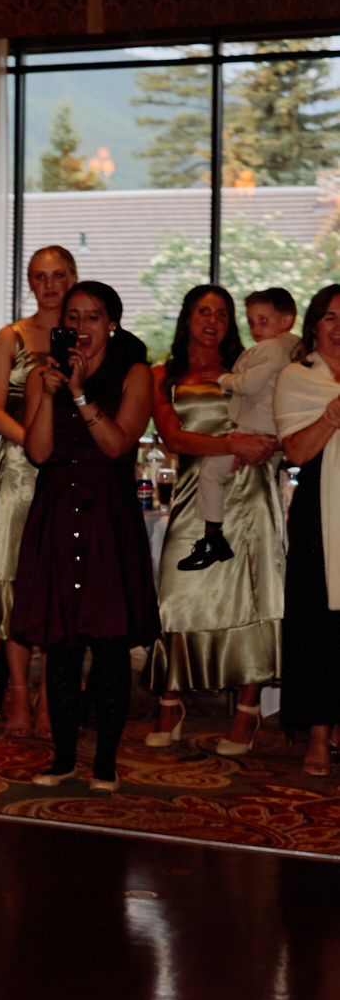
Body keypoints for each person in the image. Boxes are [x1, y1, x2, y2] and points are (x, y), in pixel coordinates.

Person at [10, 281, 157, 790]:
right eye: (73, 317)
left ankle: (106, 764)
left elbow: (118, 444)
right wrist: (51, 394)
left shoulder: (135, 373)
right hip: (55, 510)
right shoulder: (39, 376)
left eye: (92, 317)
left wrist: (78, 392)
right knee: (62, 643)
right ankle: (64, 758)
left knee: (111, 644)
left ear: (111, 324)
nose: (80, 327)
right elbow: (37, 453)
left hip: (106, 515)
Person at [146, 285, 281, 759]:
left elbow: (275, 426)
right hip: (192, 495)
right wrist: (232, 445)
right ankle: (171, 701)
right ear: (188, 318)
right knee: (178, 595)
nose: (213, 320)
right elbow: (174, 437)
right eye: (204, 311)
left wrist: (260, 446)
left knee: (251, 594)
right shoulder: (162, 374)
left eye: (222, 314)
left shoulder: (250, 370)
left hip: (251, 494)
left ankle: (247, 709)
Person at [0, 246, 78, 741]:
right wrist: (37, 445)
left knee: (62, 586)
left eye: (59, 275)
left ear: (73, 278)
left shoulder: (92, 334)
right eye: (40, 277)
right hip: (21, 469)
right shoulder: (9, 337)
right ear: (29, 283)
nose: (50, 284)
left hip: (72, 471)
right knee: (16, 581)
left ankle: (51, 696)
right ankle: (18, 691)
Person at [180, 287, 299, 568]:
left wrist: (224, 379)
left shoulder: (271, 348)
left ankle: (213, 536)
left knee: (211, 472)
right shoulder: (293, 348)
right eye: (251, 321)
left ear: (286, 320)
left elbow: (250, 384)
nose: (256, 329)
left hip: (254, 431)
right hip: (264, 434)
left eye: (263, 321)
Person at [274, 282, 340, 781]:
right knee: (316, 617)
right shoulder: (297, 378)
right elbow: (295, 453)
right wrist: (333, 416)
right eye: (332, 318)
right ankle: (317, 731)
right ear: (315, 325)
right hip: (320, 506)